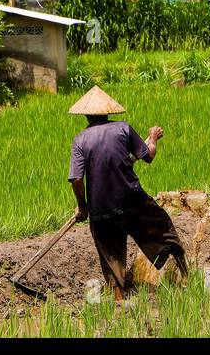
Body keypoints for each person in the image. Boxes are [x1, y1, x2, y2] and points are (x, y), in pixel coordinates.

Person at [66, 86, 189, 303]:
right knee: (164, 229)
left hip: (101, 209)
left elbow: (76, 179)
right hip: (133, 201)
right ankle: (187, 277)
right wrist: (152, 137)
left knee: (110, 254)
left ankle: (119, 300)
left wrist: (83, 206)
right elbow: (148, 156)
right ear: (108, 112)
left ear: (85, 114)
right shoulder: (123, 129)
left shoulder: (80, 140)